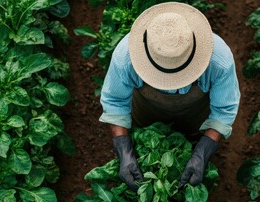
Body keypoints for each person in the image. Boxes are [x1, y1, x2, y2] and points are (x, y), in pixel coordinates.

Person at [99, 2, 240, 191]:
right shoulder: (126, 57)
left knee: (193, 137)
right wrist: (124, 149)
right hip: (145, 113)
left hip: (196, 117)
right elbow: (115, 101)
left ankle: (194, 138)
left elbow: (224, 110)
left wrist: (203, 150)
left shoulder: (218, 60)